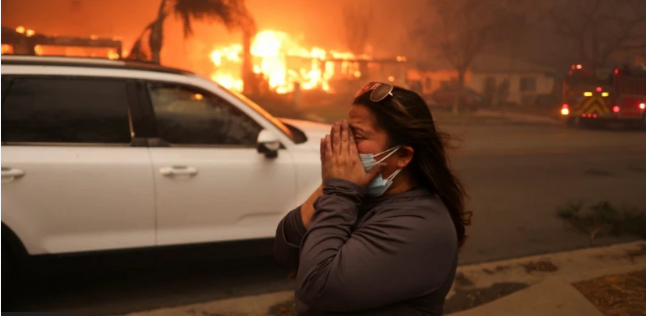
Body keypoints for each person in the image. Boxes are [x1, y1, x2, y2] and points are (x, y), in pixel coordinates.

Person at [274, 82, 471, 315]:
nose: (343, 146)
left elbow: (317, 285)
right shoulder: (356, 195)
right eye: (344, 133)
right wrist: (332, 183)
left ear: (402, 156)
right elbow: (286, 247)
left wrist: (339, 189)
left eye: (356, 136)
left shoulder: (422, 225)